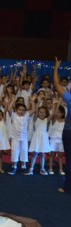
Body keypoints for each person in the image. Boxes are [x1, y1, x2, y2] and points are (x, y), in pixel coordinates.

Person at [53, 57, 71, 193]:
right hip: (68, 132)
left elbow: (56, 84)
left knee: (69, 160)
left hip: (68, 132)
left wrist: (56, 68)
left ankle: (67, 187)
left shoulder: (69, 98)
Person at [25, 105, 51, 175]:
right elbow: (35, 112)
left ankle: (42, 169)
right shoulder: (36, 119)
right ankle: (31, 168)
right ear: (38, 113)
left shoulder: (46, 120)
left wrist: (55, 104)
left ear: (46, 113)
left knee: (43, 154)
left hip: (43, 138)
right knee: (35, 154)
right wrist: (38, 102)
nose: (42, 114)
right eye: (40, 112)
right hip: (37, 138)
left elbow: (53, 113)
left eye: (44, 112)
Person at [48, 101, 65, 175]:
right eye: (57, 112)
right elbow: (54, 114)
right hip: (53, 139)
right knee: (51, 154)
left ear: (62, 114)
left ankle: (61, 169)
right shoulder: (54, 120)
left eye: (59, 112)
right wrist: (56, 104)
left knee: (60, 155)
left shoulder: (64, 121)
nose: (57, 114)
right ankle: (50, 168)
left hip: (61, 140)